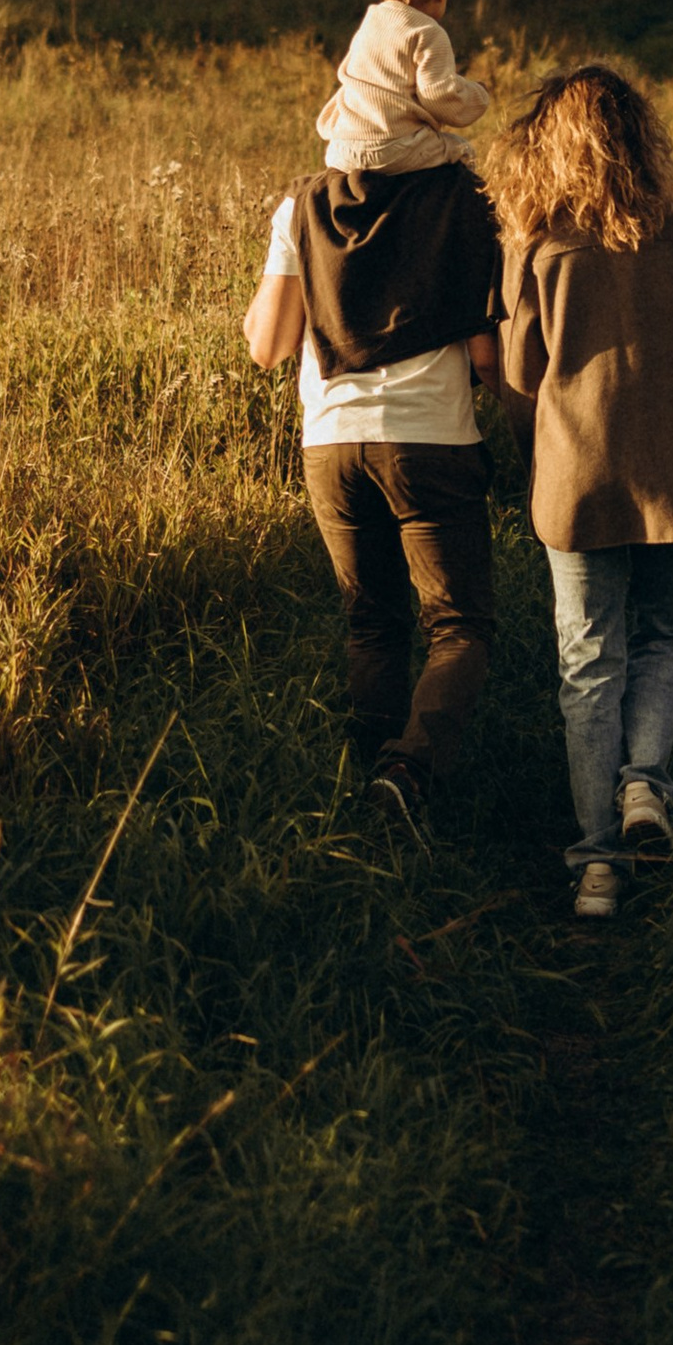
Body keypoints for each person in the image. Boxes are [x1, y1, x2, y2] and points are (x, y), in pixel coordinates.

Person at [492, 65, 673, 922]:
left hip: (579, 479)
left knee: (587, 663)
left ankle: (595, 865)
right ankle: (646, 786)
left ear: (549, 151)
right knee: (665, 638)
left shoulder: (540, 249)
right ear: (642, 141)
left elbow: (522, 375)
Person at [244, 41, 503, 842]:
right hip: (429, 437)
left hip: (330, 440)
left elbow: (267, 345)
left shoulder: (301, 206)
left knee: (372, 620)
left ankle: (357, 797)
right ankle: (408, 772)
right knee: (458, 625)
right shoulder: (468, 199)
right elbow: (489, 356)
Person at [316, 0, 490, 171]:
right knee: (463, 151)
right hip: (393, 148)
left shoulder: (372, 20)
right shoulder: (428, 32)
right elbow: (439, 95)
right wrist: (477, 94)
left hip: (342, 148)